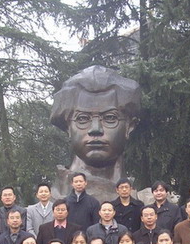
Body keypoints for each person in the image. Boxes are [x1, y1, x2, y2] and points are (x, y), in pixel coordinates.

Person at [49, 65, 141, 200]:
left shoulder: (144, 203)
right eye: (82, 119)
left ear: (129, 126)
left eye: (110, 118)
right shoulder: (52, 200)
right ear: (68, 128)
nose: (96, 129)